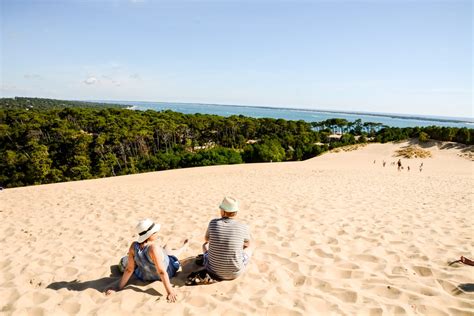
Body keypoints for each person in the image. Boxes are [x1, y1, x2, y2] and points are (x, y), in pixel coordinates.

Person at [105, 219, 188, 302]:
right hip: (167, 270)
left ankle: (172, 248)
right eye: (155, 232)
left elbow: (129, 269)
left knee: (164, 249)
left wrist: (118, 288)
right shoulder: (153, 248)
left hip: (145, 276)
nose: (157, 233)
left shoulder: (133, 246)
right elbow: (162, 272)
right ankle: (183, 248)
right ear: (149, 235)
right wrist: (170, 291)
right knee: (169, 251)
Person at [202, 197, 252, 280]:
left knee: (204, 245)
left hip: (212, 271)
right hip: (235, 274)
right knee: (251, 246)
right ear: (235, 212)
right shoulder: (243, 226)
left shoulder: (213, 223)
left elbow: (206, 240)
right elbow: (247, 244)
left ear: (223, 211)